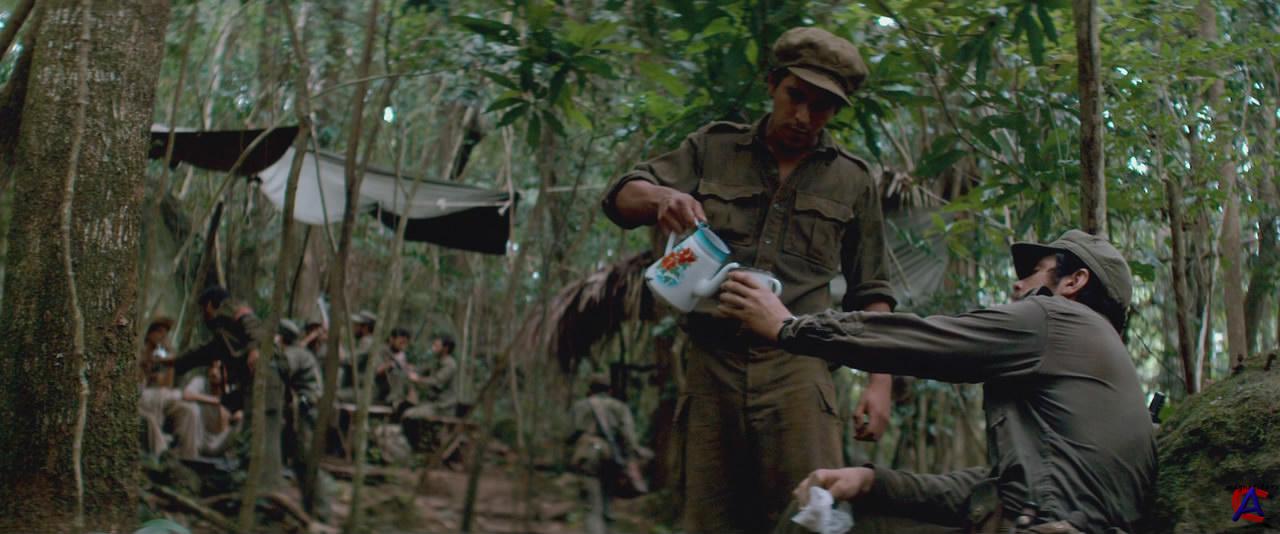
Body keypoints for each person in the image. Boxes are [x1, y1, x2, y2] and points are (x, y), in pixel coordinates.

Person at [599, 26, 897, 531]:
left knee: (810, 516)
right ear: (772, 84)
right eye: (795, 96)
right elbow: (621, 196)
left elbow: (872, 289)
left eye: (822, 106)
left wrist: (880, 383)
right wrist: (662, 198)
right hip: (711, 366)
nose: (803, 116)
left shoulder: (851, 179)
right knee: (708, 519)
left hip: (800, 369)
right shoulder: (713, 148)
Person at [720, 229, 1157, 533]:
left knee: (819, 524)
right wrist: (874, 481)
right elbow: (996, 491)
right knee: (844, 507)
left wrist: (790, 328)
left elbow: (926, 341)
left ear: (1074, 281)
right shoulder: (1096, 368)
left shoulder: (1058, 319)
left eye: (1034, 271)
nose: (1017, 283)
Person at [568, 374, 648, 534]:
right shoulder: (620, 407)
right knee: (608, 506)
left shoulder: (580, 406)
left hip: (587, 456)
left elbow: (569, 435)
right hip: (612, 456)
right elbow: (629, 438)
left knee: (592, 509)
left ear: (590, 389)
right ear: (610, 390)